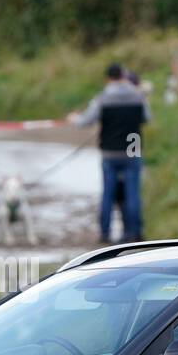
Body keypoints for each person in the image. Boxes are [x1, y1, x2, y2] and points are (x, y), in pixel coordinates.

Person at [68, 63, 150, 244]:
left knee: (108, 193)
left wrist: (74, 118)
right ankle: (134, 232)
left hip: (110, 150)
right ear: (123, 75)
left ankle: (105, 233)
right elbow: (146, 118)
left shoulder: (102, 99)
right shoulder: (138, 96)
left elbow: (85, 121)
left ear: (108, 78)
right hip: (132, 146)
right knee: (133, 193)